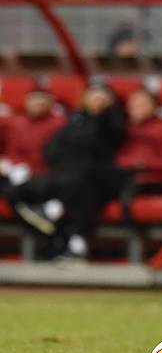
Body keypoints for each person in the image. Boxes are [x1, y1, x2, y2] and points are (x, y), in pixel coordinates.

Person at [7, 84, 127, 259]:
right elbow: (52, 149)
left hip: (96, 178)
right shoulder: (74, 119)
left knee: (85, 181)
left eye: (102, 97)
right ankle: (53, 233)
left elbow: (95, 145)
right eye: (93, 96)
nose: (96, 100)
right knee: (14, 192)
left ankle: (57, 215)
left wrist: (100, 113)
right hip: (63, 175)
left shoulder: (112, 120)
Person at [0, 90, 65, 193]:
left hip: (39, 174)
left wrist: (27, 168)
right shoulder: (16, 121)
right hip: (11, 168)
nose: (37, 105)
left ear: (50, 104)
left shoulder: (58, 124)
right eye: (34, 101)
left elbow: (50, 156)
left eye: (42, 102)